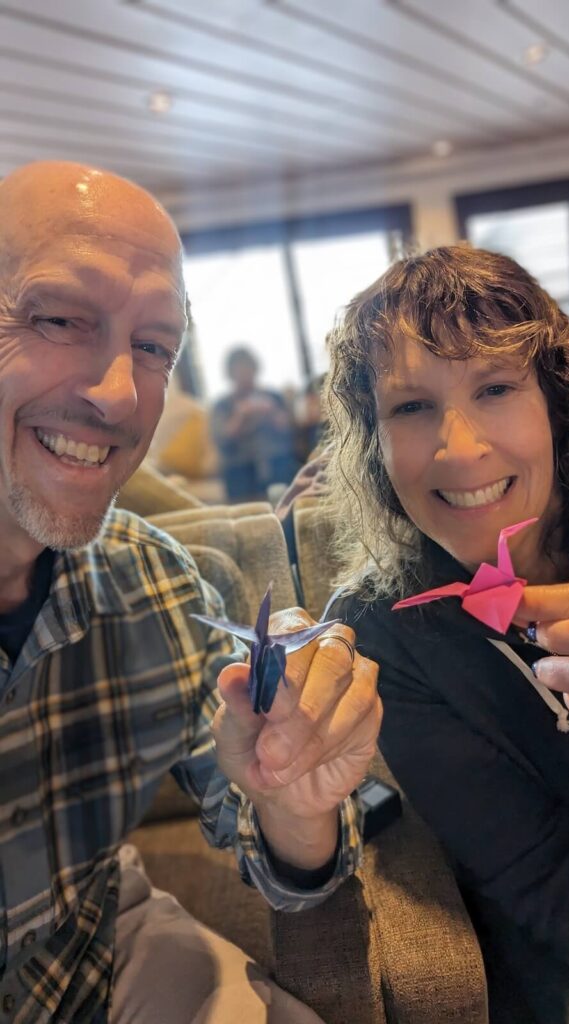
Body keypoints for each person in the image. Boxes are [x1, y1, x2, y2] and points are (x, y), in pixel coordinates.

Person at [0, 160, 382, 1024]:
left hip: (102, 959)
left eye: (155, 349)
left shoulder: (155, 583)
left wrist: (296, 789)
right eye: (58, 318)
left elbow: (272, 838)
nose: (118, 394)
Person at [323, 245, 569, 1023]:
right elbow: (541, 879)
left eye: (495, 388)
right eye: (411, 407)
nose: (459, 447)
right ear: (374, 439)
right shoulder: (382, 631)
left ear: (558, 403)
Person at [211, 346, 298, 501]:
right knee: (238, 478)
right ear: (230, 374)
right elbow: (222, 439)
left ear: (255, 368)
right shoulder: (222, 405)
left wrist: (271, 412)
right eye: (239, 370)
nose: (245, 374)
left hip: (276, 461)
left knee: (286, 466)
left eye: (248, 368)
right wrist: (240, 415)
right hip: (241, 467)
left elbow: (290, 429)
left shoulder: (273, 396)